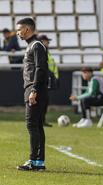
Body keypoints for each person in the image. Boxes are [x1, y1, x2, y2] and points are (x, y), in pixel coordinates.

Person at [16, 18, 48, 171]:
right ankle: (38, 162)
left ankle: (33, 160)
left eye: (19, 29)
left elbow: (40, 69)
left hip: (35, 90)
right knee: (37, 126)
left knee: (32, 125)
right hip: (33, 89)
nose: (17, 33)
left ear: (27, 29)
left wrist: (34, 90)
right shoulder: (32, 46)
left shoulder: (36, 46)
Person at [37, 34, 60, 127]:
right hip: (42, 80)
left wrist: (55, 77)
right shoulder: (40, 51)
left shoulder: (46, 52)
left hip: (48, 79)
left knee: (45, 102)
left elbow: (51, 66)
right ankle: (39, 121)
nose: (48, 42)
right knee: (41, 102)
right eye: (46, 41)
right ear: (41, 41)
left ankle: (42, 121)